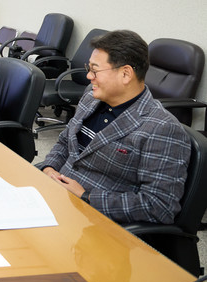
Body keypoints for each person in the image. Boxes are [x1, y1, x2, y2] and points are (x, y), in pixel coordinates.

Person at [40, 30, 190, 224]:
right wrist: (49, 168)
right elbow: (64, 142)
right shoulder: (90, 96)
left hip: (94, 220)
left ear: (125, 74)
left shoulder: (162, 128)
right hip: (54, 194)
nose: (89, 76)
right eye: (88, 68)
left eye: (95, 70)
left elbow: (159, 206)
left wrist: (86, 196)